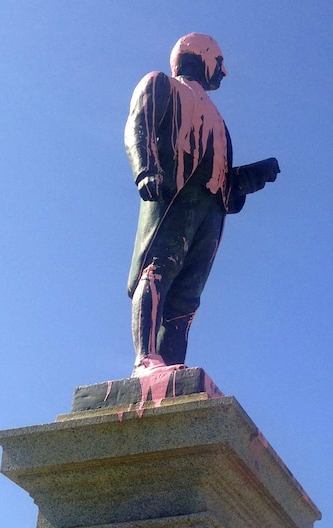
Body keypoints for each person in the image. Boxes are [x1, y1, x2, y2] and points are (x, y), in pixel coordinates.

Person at [124, 32, 280, 376]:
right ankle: (146, 358)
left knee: (188, 295)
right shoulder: (161, 84)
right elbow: (140, 125)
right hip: (173, 195)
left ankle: (171, 363)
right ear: (201, 54)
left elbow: (223, 175)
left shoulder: (220, 121)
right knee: (158, 270)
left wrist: (249, 178)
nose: (223, 73)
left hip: (210, 210)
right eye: (220, 62)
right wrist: (146, 170)